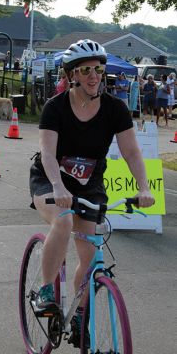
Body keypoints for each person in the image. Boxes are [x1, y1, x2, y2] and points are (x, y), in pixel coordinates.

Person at [29, 38, 155, 348]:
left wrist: (144, 187)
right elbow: (47, 153)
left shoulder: (115, 108)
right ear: (71, 75)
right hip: (50, 181)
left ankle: (79, 315)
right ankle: (46, 291)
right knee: (63, 221)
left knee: (88, 259)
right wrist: (58, 186)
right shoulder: (55, 107)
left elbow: (132, 152)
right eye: (85, 70)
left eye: (98, 69)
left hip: (89, 186)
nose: (94, 75)